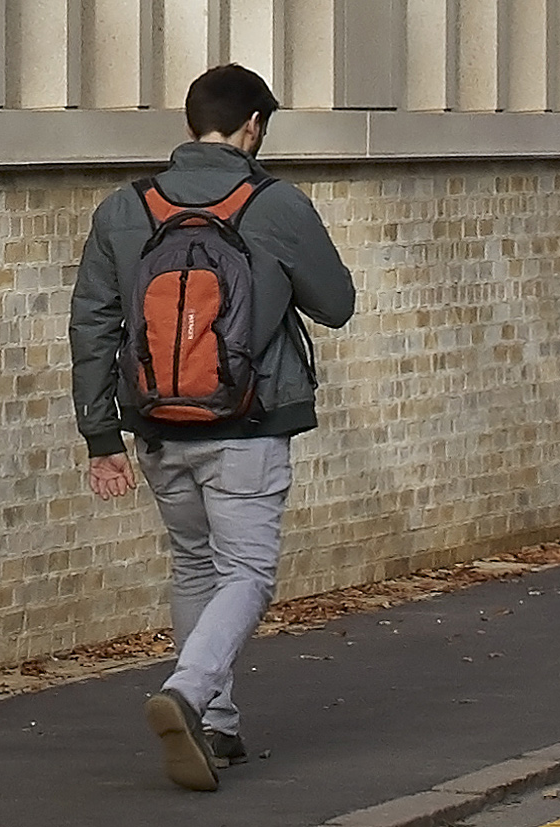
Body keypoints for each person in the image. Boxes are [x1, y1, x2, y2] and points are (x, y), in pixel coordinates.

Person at [74, 62, 359, 793]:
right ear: (254, 126)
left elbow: (94, 325)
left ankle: (218, 725)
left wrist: (101, 435)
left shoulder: (122, 207)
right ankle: (190, 690)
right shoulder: (275, 203)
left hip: (158, 427)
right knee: (248, 570)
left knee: (195, 564)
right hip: (249, 424)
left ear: (189, 123)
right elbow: (336, 302)